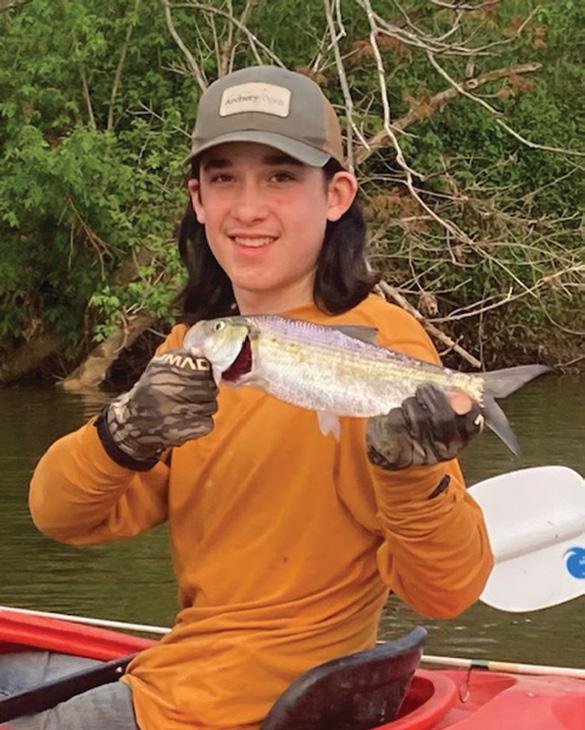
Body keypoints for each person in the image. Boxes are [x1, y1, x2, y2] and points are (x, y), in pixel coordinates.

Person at [7, 66, 493, 729]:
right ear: (198, 200)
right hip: (181, 673)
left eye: (281, 176)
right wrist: (122, 433)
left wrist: (412, 475)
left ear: (336, 195)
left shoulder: (385, 349)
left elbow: (447, 591)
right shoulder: (198, 346)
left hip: (234, 711)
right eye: (223, 178)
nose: (247, 207)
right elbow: (61, 517)